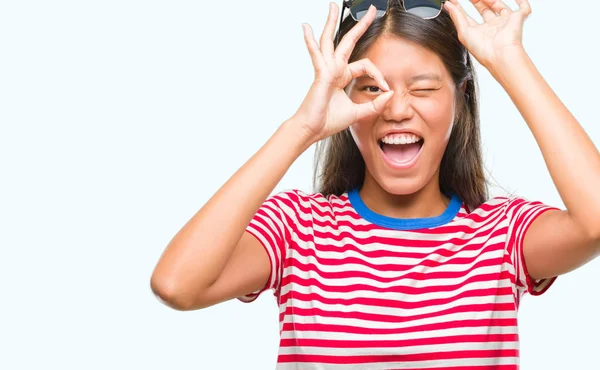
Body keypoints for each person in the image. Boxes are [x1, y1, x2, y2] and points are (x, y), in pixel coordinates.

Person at [150, 0, 600, 368]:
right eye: (371, 88)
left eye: (422, 88)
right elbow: (177, 285)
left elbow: (595, 223)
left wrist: (510, 61)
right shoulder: (297, 229)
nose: (397, 109)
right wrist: (301, 129)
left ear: (461, 100)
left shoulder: (500, 235)